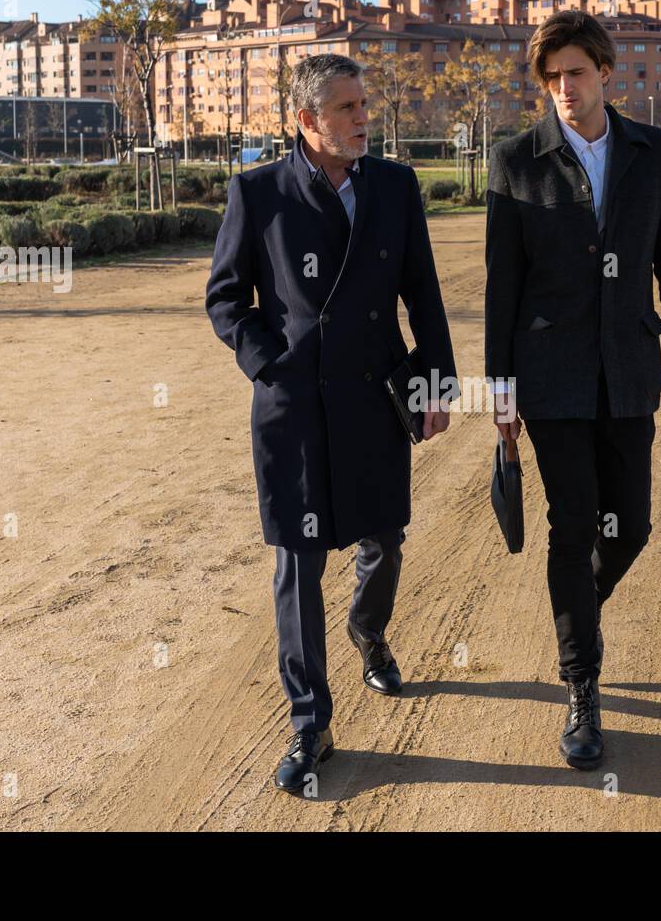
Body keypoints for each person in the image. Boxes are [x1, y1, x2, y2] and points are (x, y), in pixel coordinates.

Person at [206, 54, 456, 794]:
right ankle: (310, 722)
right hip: (295, 408)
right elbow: (226, 299)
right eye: (346, 108)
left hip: (376, 396)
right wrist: (269, 363)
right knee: (297, 563)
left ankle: (368, 631)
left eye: (363, 105)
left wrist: (435, 382)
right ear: (307, 120)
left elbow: (424, 293)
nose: (362, 119)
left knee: (385, 537)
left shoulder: (396, 186)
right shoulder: (258, 193)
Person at [484, 10, 661, 770]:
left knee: (631, 528)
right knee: (572, 527)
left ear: (606, 72)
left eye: (576, 73)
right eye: (552, 79)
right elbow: (502, 283)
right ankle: (582, 687)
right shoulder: (517, 159)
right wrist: (501, 388)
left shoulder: (655, 152)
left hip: (631, 372)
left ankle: (577, 615)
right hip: (550, 379)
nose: (564, 89)